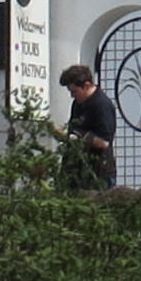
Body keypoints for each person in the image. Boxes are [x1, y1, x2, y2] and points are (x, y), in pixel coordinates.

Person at [57, 61, 121, 189]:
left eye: (74, 91)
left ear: (86, 86)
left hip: (98, 173)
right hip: (76, 170)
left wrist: (77, 137)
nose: (72, 96)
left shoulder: (102, 105)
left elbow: (104, 142)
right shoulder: (78, 104)